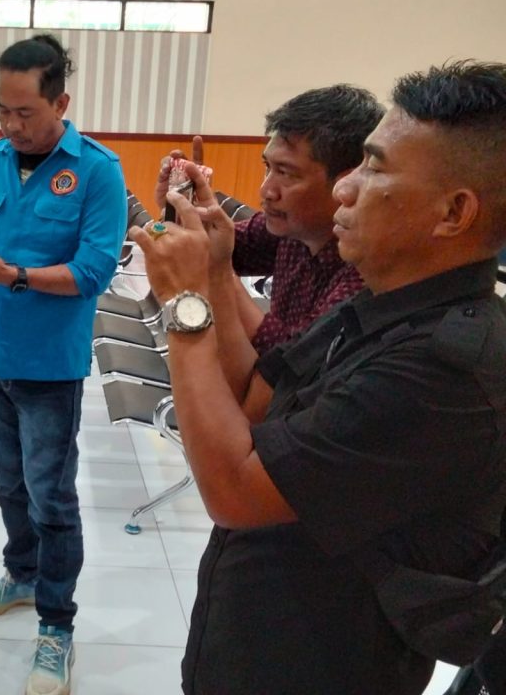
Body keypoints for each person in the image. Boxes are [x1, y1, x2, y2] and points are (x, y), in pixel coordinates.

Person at [131, 60, 506, 694]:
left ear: (453, 212)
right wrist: (214, 270)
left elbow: (234, 491)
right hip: (252, 635)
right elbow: (252, 402)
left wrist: (186, 305)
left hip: (320, 664)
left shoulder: (442, 370)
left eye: (374, 168)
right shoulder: (382, 304)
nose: (345, 188)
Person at [0, 34, 127, 695]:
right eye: (2, 109)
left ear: (61, 103)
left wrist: (15, 276)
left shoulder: (98, 171)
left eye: (25, 112)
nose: (11, 124)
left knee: (51, 497)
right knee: (9, 484)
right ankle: (22, 575)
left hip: (49, 368)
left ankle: (57, 625)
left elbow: (92, 273)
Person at [155, 86, 384, 370]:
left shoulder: (369, 272)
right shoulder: (292, 227)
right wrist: (180, 208)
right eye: (268, 167)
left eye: (285, 173)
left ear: (347, 183)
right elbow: (205, 247)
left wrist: (219, 269)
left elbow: (290, 364)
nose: (265, 190)